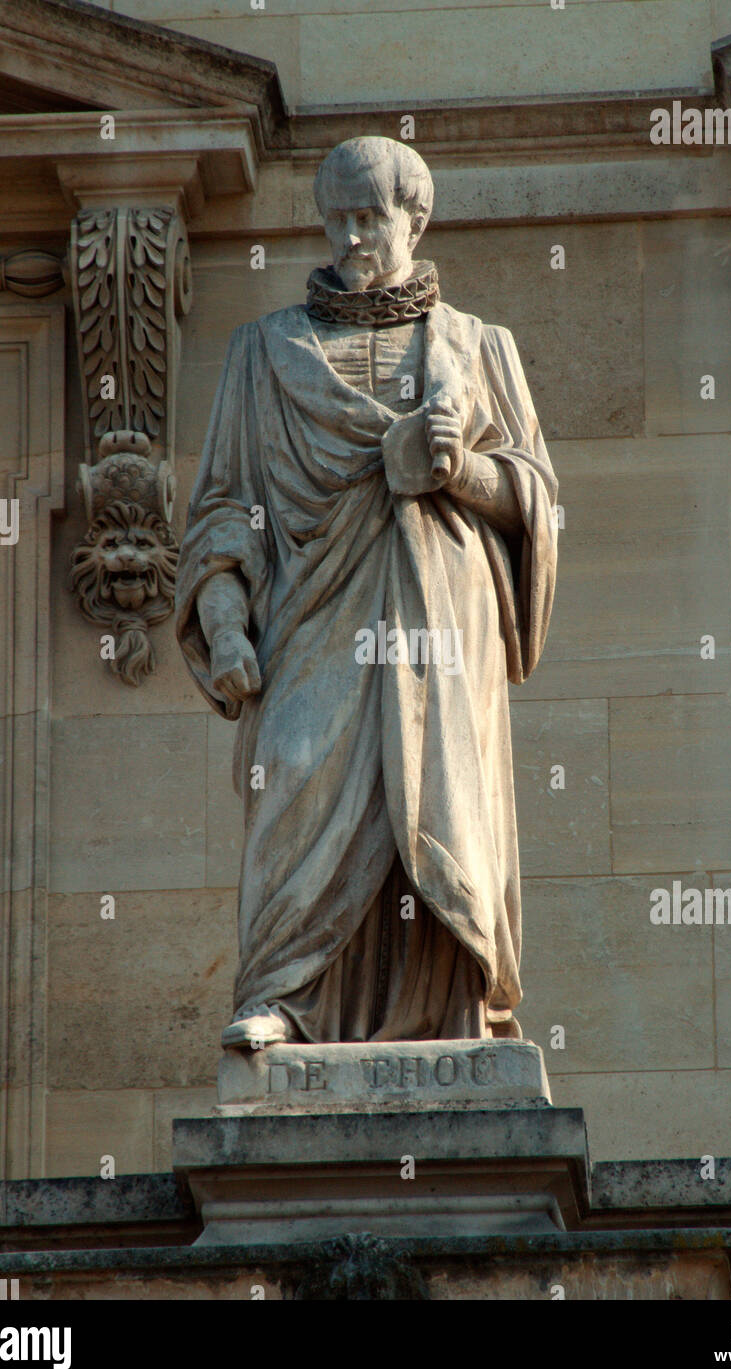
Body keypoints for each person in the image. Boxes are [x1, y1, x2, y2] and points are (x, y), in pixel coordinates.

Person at [175, 136, 557, 1047]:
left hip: (438, 623)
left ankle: (455, 1010)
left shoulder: (478, 347)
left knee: (440, 803)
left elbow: (532, 501)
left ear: (414, 220)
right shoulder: (263, 354)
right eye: (335, 216)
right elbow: (222, 512)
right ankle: (280, 994)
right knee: (299, 780)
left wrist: (457, 473)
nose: (350, 236)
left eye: (369, 217)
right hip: (311, 621)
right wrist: (225, 624)